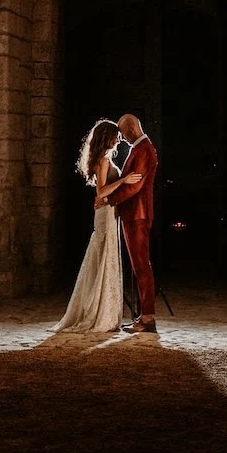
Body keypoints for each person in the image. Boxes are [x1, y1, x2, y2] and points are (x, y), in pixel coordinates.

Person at [56, 118, 123, 334]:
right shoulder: (103, 161)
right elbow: (101, 192)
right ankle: (99, 313)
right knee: (104, 258)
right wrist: (124, 181)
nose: (118, 139)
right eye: (115, 136)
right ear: (106, 137)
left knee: (105, 258)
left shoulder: (104, 159)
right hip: (105, 212)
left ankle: (105, 310)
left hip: (107, 212)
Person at [95, 111, 159, 333]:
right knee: (139, 265)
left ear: (132, 129)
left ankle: (148, 318)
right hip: (133, 213)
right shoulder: (139, 148)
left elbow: (135, 186)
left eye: (122, 132)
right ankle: (144, 316)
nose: (121, 137)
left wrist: (109, 200)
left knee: (141, 265)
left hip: (137, 214)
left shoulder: (144, 150)